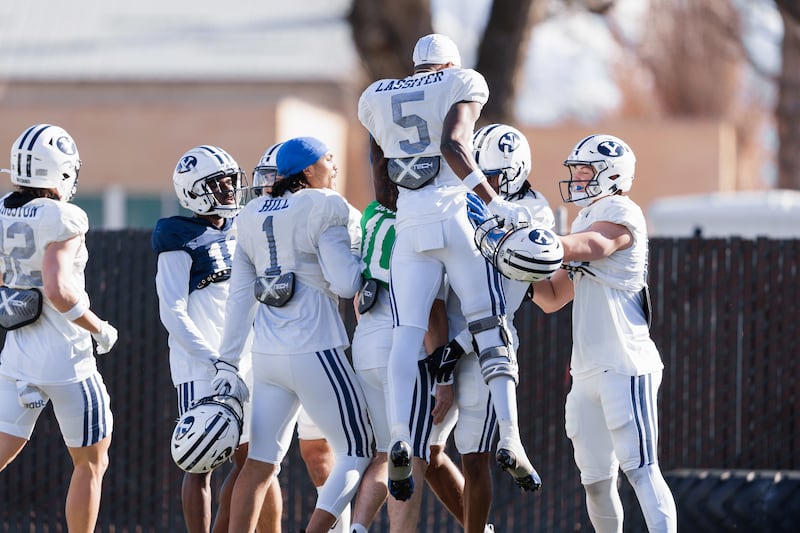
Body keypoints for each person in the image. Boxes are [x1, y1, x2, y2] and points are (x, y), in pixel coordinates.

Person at [357, 33, 541, 499]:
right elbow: (455, 146)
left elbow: (381, 183)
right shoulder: (463, 82)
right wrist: (493, 200)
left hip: (410, 223)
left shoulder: (377, 95)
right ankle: (512, 438)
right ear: (451, 65)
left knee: (406, 332)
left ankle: (399, 434)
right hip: (455, 213)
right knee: (490, 322)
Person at [213, 136, 372, 533]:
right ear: (307, 170)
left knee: (260, 462)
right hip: (316, 348)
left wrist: (227, 362)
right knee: (359, 451)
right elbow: (346, 282)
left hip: (267, 356)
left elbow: (239, 300)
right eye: (329, 160)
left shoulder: (249, 215)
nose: (334, 168)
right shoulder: (325, 205)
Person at [531, 134, 677, 533]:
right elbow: (552, 297)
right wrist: (516, 268)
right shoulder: (582, 220)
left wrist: (540, 242)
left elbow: (593, 245)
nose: (577, 178)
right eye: (575, 170)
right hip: (588, 370)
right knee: (595, 483)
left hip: (624, 363)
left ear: (610, 173)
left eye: (584, 170)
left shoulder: (620, 210)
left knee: (642, 470)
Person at [427, 123, 556, 533]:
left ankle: (510, 445)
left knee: (474, 454)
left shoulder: (534, 214)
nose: (487, 185)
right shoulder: (464, 198)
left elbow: (508, 299)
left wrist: (459, 345)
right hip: (450, 333)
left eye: (495, 176)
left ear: (516, 171)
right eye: (481, 175)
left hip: (487, 341)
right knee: (426, 452)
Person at [0, 123, 118, 532]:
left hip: (16, 355)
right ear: (62, 171)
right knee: (91, 460)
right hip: (66, 360)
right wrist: (99, 328)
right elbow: (58, 287)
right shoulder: (64, 216)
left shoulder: (2, 209)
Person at [152, 144, 276, 533]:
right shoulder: (178, 236)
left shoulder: (243, 225)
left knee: (255, 460)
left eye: (229, 180)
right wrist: (213, 361)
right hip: (200, 365)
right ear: (193, 191)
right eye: (218, 182)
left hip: (246, 359)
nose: (228, 188)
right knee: (199, 461)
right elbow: (171, 311)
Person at [251, 141, 352, 533]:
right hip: (273, 350)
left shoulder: (328, 210)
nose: (267, 186)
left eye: (273, 176)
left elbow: (347, 277)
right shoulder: (255, 220)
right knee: (290, 458)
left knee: (329, 452)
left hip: (315, 344)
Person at [348, 198, 464, 533]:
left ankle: (357, 528)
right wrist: (443, 378)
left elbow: (357, 297)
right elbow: (431, 311)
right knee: (410, 457)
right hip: (404, 352)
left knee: (386, 454)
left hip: (366, 342)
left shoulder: (373, 216)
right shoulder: (424, 228)